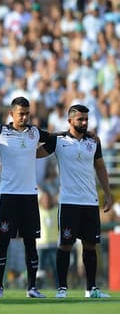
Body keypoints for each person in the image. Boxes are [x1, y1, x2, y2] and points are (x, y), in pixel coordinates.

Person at [37, 104, 114, 298]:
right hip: (69, 203)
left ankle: (91, 289)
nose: (84, 122)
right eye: (80, 119)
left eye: (86, 119)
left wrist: (108, 193)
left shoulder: (94, 142)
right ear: (70, 121)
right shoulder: (58, 140)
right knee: (65, 245)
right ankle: (61, 288)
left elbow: (101, 168)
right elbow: (37, 153)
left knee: (90, 245)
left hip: (90, 202)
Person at [0, 97, 50, 298]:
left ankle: (31, 287)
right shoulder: (0, 131)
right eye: (21, 113)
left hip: (29, 195)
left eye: (27, 113)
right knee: (3, 242)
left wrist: (36, 154)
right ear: (11, 114)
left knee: (31, 243)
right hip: (8, 196)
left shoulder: (34, 132)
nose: (24, 117)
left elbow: (56, 140)